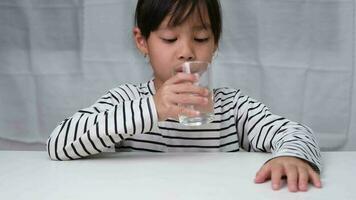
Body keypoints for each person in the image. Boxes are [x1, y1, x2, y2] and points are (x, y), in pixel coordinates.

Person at [47, 0, 322, 192]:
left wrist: (291, 157)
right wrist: (153, 108)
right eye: (169, 39)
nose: (187, 52)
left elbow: (297, 133)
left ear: (214, 44)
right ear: (142, 42)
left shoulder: (232, 107)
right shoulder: (126, 100)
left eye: (201, 38)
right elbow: (59, 144)